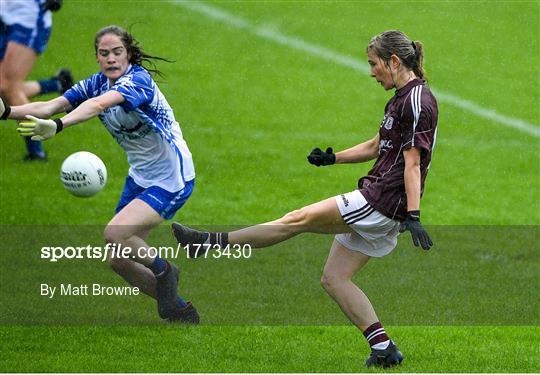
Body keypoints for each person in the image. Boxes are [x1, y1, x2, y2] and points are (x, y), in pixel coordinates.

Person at [171, 30, 437, 366]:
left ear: (394, 61)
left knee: (296, 219)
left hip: (381, 200)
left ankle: (208, 242)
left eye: (373, 64)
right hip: (383, 199)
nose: (371, 72)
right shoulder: (401, 97)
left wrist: (414, 215)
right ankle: (384, 348)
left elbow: (414, 162)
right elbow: (376, 145)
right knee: (334, 278)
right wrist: (333, 158)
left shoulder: (416, 102)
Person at [0, 25, 199, 323]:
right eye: (104, 53)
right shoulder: (96, 82)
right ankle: (180, 310)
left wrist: (58, 126)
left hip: (172, 178)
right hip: (141, 177)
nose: (111, 58)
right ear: (97, 57)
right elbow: (51, 104)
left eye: (117, 52)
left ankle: (165, 270)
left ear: (128, 53)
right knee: (118, 259)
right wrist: (6, 111)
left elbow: (98, 105)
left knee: (114, 234)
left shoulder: (138, 81)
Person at [0, 0, 73, 161]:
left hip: (27, 15)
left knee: (7, 88)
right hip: (4, 12)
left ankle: (36, 151)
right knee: (6, 86)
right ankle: (58, 83)